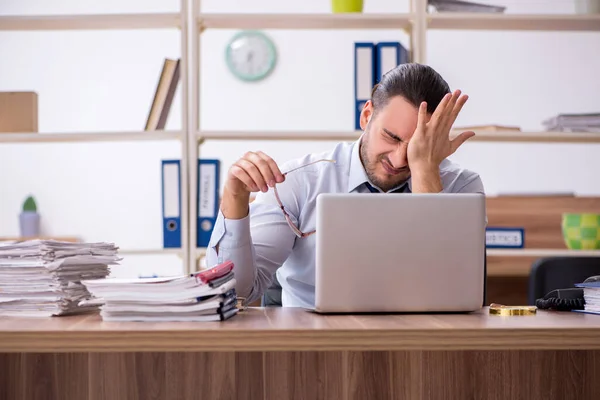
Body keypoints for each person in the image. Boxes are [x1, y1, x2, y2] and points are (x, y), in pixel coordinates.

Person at [206, 63, 485, 308]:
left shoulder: (462, 187)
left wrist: (425, 170)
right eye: (391, 137)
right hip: (314, 346)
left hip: (417, 343)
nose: (400, 160)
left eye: (416, 147)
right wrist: (234, 197)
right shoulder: (300, 181)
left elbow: (446, 290)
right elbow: (235, 293)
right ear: (366, 116)